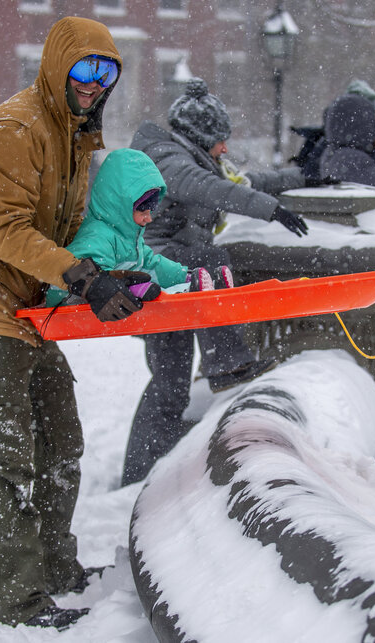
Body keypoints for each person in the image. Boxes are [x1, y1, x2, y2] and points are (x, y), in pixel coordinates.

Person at [0, 16, 149, 631]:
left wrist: (113, 270)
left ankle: (55, 567)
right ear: (58, 65)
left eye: (108, 70)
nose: (95, 81)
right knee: (5, 459)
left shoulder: (74, 137)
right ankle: (14, 599)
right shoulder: (15, 129)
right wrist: (80, 278)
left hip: (29, 314)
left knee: (61, 445)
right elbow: (6, 231)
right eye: (85, 67)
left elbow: (67, 232)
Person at [122, 77, 312, 485]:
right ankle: (227, 364)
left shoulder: (194, 157)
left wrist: (303, 175)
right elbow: (206, 187)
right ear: (198, 136)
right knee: (209, 259)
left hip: (170, 281)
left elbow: (245, 182)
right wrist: (270, 211)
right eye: (220, 139)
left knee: (170, 386)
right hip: (151, 270)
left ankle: (142, 478)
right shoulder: (164, 159)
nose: (225, 147)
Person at [45, 147, 223, 306]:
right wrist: (132, 289)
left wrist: (184, 275)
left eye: (151, 210)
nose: (149, 218)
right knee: (149, 290)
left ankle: (197, 285)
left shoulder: (127, 237)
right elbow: (90, 280)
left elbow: (150, 265)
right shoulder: (97, 236)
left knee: (153, 281)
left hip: (103, 302)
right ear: (119, 204)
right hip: (66, 304)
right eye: (143, 209)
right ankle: (184, 290)